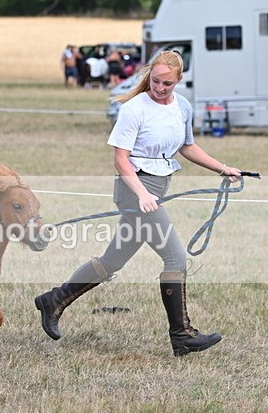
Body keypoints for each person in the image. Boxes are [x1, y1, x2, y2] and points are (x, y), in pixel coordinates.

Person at [35, 50, 242, 357]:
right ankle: (182, 335)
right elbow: (121, 159)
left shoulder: (182, 106)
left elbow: (187, 146)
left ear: (178, 80)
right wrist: (143, 195)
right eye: (156, 81)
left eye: (167, 83)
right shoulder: (134, 109)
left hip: (154, 189)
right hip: (135, 191)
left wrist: (223, 168)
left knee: (112, 261)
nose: (160, 88)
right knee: (175, 258)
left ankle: (54, 300)